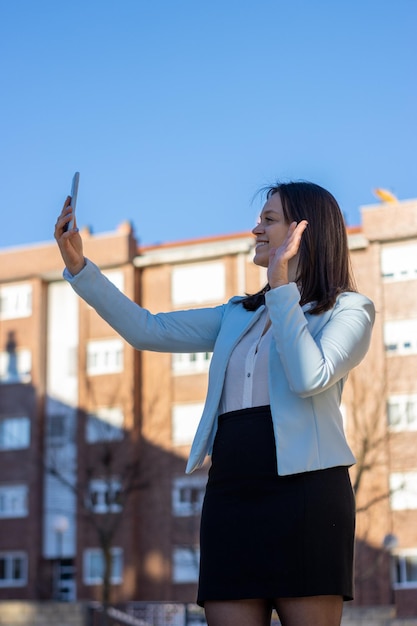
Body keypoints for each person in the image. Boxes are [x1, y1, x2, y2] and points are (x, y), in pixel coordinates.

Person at [54, 181, 375, 626]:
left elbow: (309, 377)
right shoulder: (236, 314)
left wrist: (281, 288)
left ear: (305, 230)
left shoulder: (348, 311)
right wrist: (80, 268)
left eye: (269, 219)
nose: (255, 228)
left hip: (307, 495)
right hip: (232, 493)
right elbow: (148, 329)